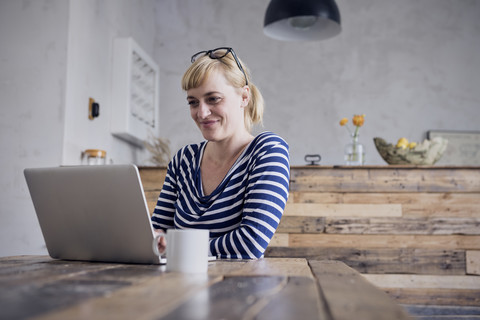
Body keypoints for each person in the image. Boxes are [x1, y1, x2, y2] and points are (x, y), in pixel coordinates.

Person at [151, 47, 290, 259]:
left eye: (213, 99)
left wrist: (178, 247)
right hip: (178, 286)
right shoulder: (183, 160)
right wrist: (155, 239)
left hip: (240, 287)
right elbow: (158, 230)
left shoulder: (267, 151)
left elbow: (251, 243)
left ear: (244, 97)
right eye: (193, 102)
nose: (202, 113)